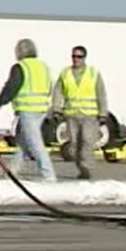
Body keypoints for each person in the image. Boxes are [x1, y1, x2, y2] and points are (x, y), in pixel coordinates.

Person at [0, 38, 56, 181]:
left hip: (28, 110)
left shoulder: (21, 67)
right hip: (41, 109)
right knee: (23, 142)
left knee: (35, 143)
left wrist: (0, 101)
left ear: (20, 51)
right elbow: (50, 86)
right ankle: (12, 171)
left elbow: (12, 87)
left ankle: (49, 176)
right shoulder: (43, 66)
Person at [51, 45, 107, 180]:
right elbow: (58, 91)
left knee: (87, 143)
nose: (76, 59)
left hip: (89, 116)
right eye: (74, 56)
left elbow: (101, 93)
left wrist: (103, 112)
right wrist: (57, 109)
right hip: (72, 115)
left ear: (84, 58)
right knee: (74, 145)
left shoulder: (93, 73)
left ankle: (87, 169)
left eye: (79, 56)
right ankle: (81, 170)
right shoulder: (65, 73)